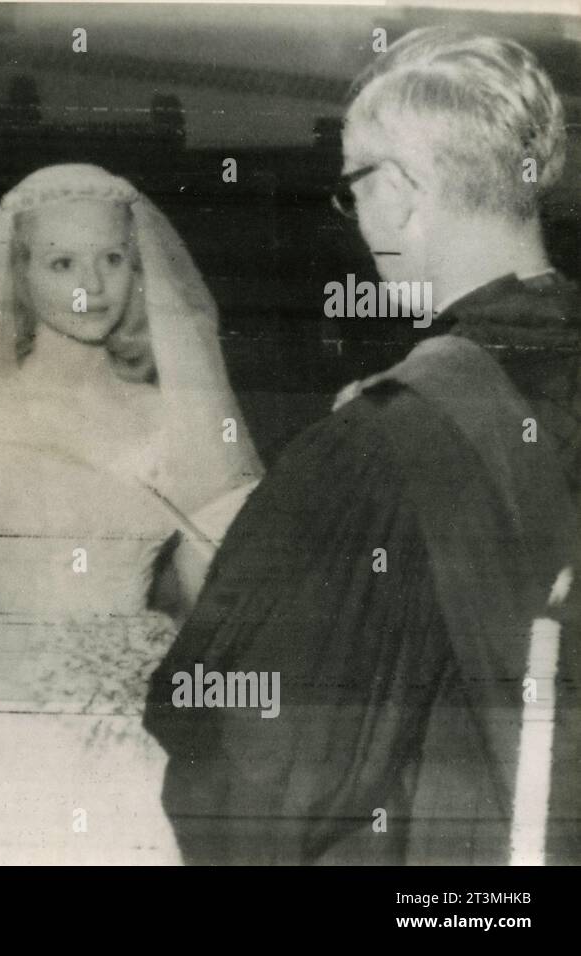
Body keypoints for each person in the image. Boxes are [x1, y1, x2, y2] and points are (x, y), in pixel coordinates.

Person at [145, 27, 581, 865]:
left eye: (354, 189)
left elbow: (258, 783)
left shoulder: (382, 445)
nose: (354, 219)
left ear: (404, 190)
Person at [0, 163, 261, 864]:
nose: (92, 285)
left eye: (112, 258)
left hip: (124, 739)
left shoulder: (173, 421)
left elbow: (228, 598)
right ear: (19, 271)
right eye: (62, 262)